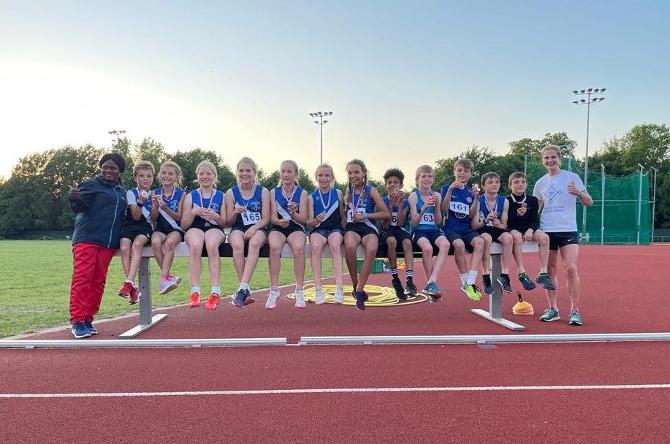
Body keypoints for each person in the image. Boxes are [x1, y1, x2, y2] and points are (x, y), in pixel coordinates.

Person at [67, 153, 127, 339]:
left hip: (108, 243)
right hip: (87, 239)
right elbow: (79, 207)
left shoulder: (122, 191)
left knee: (98, 281)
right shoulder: (90, 185)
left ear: (119, 171)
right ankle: (77, 321)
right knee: (83, 279)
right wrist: (74, 198)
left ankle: (88, 319)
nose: (108, 170)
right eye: (105, 167)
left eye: (113, 168)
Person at [533, 145, 593, 325]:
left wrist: (578, 192)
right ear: (542, 161)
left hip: (567, 228)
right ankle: (553, 309)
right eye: (546, 158)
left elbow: (589, 202)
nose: (550, 161)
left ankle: (575, 310)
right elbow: (536, 208)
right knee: (550, 270)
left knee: (571, 268)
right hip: (547, 230)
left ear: (559, 158)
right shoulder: (540, 183)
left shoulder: (571, 177)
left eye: (553, 157)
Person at [343, 159, 390, 311]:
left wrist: (366, 215)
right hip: (352, 227)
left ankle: (359, 290)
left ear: (364, 173)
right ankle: (356, 285)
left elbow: (385, 213)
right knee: (349, 246)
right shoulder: (347, 191)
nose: (353, 175)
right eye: (350, 173)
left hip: (368, 227)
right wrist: (346, 207)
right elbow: (346, 213)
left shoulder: (371, 190)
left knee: (371, 249)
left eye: (356, 172)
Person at [181, 160, 226, 310]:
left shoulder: (221, 196)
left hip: (214, 227)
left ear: (214, 176)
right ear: (197, 176)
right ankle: (195, 291)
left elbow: (225, 222)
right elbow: (184, 224)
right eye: (201, 173)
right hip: (195, 227)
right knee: (195, 245)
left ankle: (215, 291)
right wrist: (193, 212)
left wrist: (216, 216)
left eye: (208, 173)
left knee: (212, 245)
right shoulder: (191, 196)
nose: (205, 176)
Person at [226, 157, 270, 308]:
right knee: (237, 245)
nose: (244, 174)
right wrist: (234, 212)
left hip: (258, 227)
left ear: (254, 172)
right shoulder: (231, 193)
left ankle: (242, 289)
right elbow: (228, 222)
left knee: (255, 243)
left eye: (248, 170)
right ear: (237, 172)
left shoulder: (263, 191)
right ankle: (245, 289)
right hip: (238, 227)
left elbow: (266, 218)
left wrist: (254, 228)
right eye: (241, 170)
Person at [440, 158, 485, 302]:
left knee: (480, 243)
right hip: (451, 228)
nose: (462, 173)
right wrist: (451, 190)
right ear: (454, 172)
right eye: (459, 170)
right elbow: (444, 209)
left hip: (466, 228)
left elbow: (471, 215)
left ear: (471, 173)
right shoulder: (446, 188)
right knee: (458, 245)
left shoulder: (470, 191)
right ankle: (464, 282)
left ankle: (470, 282)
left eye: (466, 171)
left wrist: (476, 198)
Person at [266, 160, 309, 309]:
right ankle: (274, 289)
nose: (285, 174)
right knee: (274, 247)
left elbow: (304, 219)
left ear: (296, 173)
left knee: (298, 247)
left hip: (295, 227)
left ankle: (299, 289)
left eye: (289, 171)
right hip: (278, 227)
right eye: (283, 171)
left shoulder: (302, 193)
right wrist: (278, 222)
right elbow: (272, 217)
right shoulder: (273, 192)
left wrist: (294, 214)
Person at [117, 160, 158, 305]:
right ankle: (132, 286)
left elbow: (153, 218)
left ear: (153, 177)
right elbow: (135, 215)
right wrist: (140, 201)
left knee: (137, 245)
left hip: (144, 227)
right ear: (135, 178)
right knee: (124, 246)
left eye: (148, 176)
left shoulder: (155, 194)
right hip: (130, 224)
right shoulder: (131, 193)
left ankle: (128, 282)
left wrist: (155, 206)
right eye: (141, 176)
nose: (145, 179)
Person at [408, 165, 450, 301]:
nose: (427, 179)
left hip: (434, 229)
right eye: (423, 176)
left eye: (430, 176)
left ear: (433, 179)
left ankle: (431, 282)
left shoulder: (437, 195)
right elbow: (414, 222)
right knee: (427, 248)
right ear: (417, 179)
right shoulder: (413, 197)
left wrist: (437, 207)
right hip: (419, 231)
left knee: (445, 245)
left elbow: (438, 221)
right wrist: (424, 207)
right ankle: (430, 284)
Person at [506, 171, 553, 291]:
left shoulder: (532, 200)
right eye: (516, 182)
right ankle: (521, 272)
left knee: (545, 238)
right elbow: (506, 222)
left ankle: (543, 273)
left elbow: (535, 220)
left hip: (529, 229)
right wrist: (517, 214)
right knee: (516, 236)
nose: (520, 184)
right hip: (513, 229)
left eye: (523, 182)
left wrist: (531, 230)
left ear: (526, 184)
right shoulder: (506, 201)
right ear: (510, 185)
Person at [306, 163, 345, 305]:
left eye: (327, 175)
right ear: (316, 177)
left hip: (335, 228)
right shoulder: (311, 197)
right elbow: (309, 223)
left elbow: (342, 215)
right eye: (320, 175)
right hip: (319, 229)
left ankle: (339, 288)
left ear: (332, 177)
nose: (323, 178)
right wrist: (316, 220)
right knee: (315, 247)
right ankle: (318, 289)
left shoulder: (338, 193)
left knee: (335, 245)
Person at [471, 172, 514, 294]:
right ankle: (486, 276)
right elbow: (474, 225)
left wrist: (498, 224)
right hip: (482, 228)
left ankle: (504, 274)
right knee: (486, 239)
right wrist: (486, 220)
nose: (494, 184)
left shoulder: (504, 201)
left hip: (496, 229)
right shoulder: (478, 200)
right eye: (490, 182)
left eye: (497, 182)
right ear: (483, 186)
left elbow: (504, 225)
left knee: (508, 238)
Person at [379, 168, 416, 300]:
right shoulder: (382, 200)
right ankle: (395, 278)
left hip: (399, 230)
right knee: (391, 241)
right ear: (386, 185)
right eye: (389, 182)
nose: (392, 184)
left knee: (407, 242)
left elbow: (400, 223)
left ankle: (409, 280)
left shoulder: (405, 202)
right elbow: (386, 225)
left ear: (400, 185)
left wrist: (399, 205)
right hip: (387, 231)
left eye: (395, 182)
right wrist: (390, 205)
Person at [150, 160, 186, 295]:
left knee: (170, 243)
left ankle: (164, 279)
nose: (167, 176)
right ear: (160, 174)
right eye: (164, 173)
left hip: (175, 228)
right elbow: (153, 218)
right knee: (155, 242)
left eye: (171, 174)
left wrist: (166, 209)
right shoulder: (155, 192)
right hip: (160, 228)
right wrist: (155, 207)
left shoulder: (181, 193)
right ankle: (167, 277)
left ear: (176, 177)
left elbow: (180, 217)